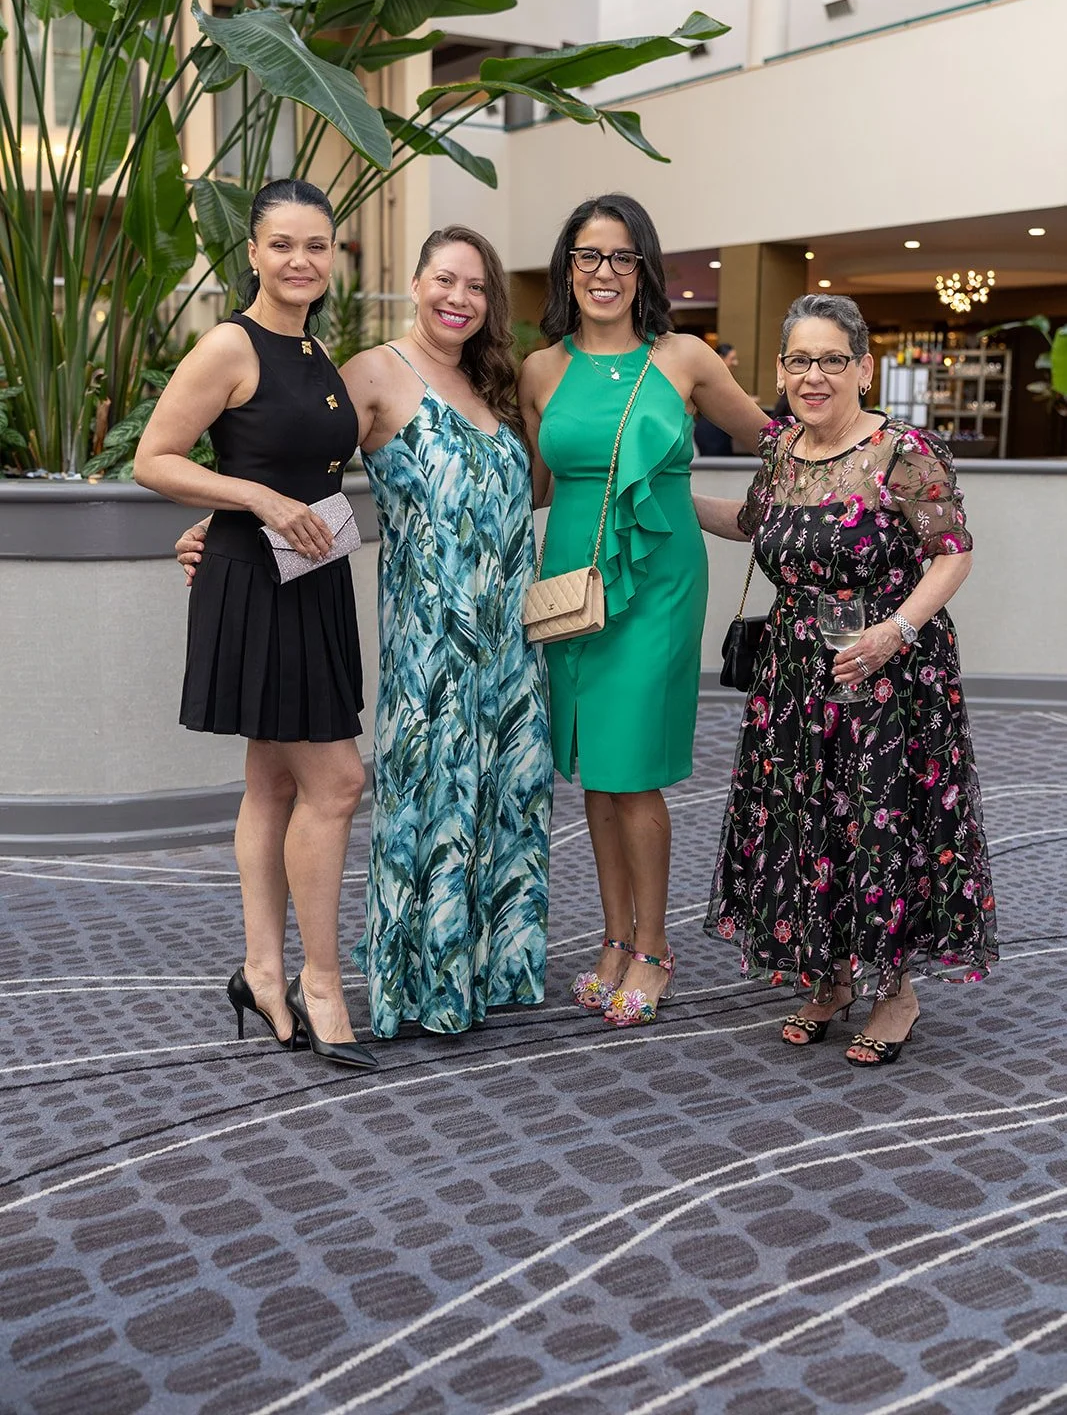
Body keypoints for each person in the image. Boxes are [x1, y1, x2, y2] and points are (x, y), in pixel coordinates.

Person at [177, 225, 553, 1041]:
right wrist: (221, 525)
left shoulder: (495, 382)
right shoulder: (374, 372)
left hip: (509, 638)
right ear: (414, 284)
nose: (459, 298)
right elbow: (293, 461)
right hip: (430, 637)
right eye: (444, 280)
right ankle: (416, 978)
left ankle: (478, 967)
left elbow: (533, 491)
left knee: (500, 795)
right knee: (429, 795)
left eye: (477, 287)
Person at [696, 292, 997, 1066]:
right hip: (795, 675)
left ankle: (894, 993)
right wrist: (666, 494)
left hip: (887, 675)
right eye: (799, 360)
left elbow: (952, 551)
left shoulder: (905, 451)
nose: (814, 375)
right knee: (804, 822)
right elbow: (749, 523)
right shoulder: (781, 450)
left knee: (878, 823)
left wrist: (894, 631)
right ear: (781, 369)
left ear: (863, 367)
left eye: (832, 360)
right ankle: (825, 977)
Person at [135, 179, 376, 1071]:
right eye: (282, 245)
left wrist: (266, 509)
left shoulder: (316, 349)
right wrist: (252, 501)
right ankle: (319, 980)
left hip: (308, 576)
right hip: (256, 578)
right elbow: (154, 457)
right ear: (253, 252)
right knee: (338, 782)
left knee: (275, 785)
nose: (300, 261)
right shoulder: (230, 344)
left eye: (316, 245)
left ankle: (261, 971)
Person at [519, 193, 767, 1027]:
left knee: (633, 769)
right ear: (566, 268)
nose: (602, 273)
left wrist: (705, 507)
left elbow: (778, 441)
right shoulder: (539, 370)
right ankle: (614, 937)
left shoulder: (684, 358)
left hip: (658, 582)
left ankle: (655, 948)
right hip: (569, 583)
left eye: (620, 257)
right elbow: (528, 488)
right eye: (586, 256)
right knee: (593, 767)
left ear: (643, 269)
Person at [693, 343, 739, 457]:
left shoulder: (726, 378)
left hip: (720, 431)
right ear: (721, 358)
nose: (736, 363)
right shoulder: (712, 378)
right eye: (732, 359)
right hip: (710, 431)